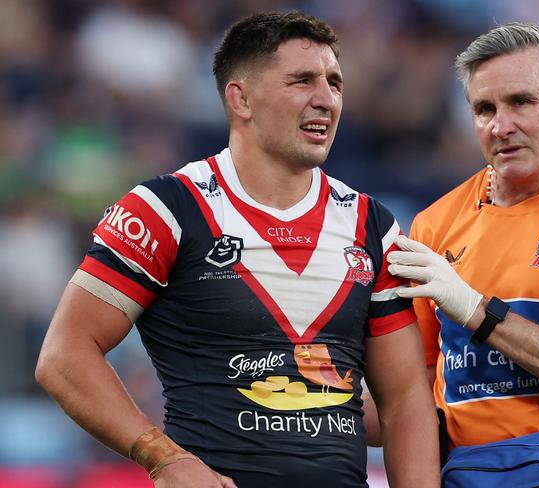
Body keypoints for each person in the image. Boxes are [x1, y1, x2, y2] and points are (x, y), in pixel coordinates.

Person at [35, 11, 439, 488]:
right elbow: (64, 356)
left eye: (334, 82)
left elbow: (405, 400)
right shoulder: (166, 209)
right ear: (241, 98)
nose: (325, 99)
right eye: (301, 81)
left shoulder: (372, 225)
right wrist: (163, 458)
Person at [365, 22, 539, 486]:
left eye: (521, 102)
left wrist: (478, 312)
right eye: (484, 108)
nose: (501, 126)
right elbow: (405, 401)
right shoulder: (435, 224)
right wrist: (310, 395)